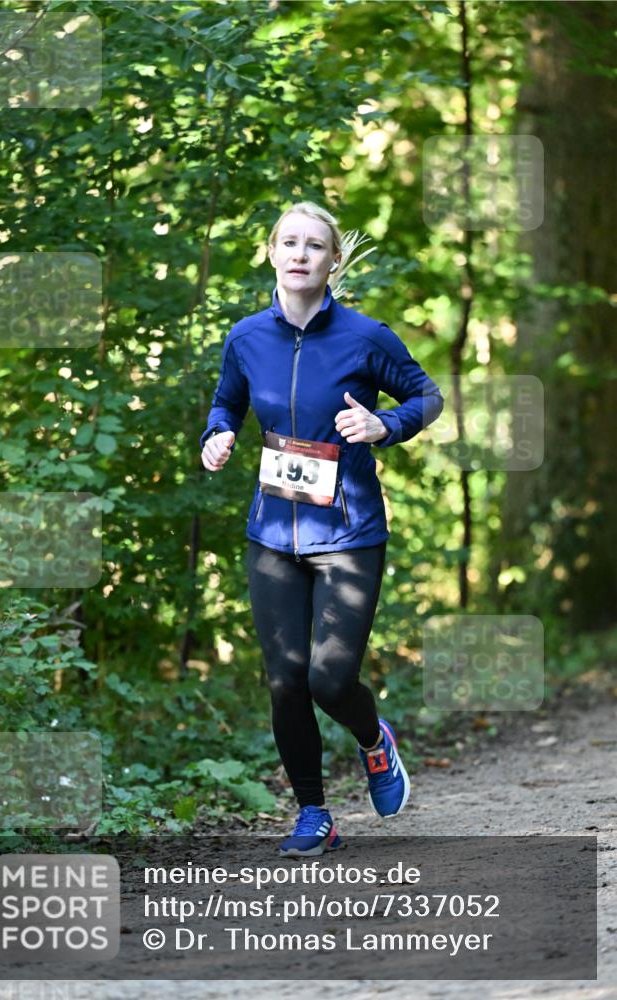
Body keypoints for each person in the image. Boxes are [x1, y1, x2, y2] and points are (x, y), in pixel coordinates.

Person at [200, 201, 444, 857]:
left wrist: (384, 425)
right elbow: (226, 402)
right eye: (289, 242)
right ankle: (313, 812)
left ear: (333, 260)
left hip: (348, 533)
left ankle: (373, 740)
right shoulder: (246, 337)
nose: (300, 254)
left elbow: (427, 395)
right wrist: (217, 435)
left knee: (329, 680)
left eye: (314, 245)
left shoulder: (365, 337)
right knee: (285, 681)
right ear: (271, 253)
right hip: (272, 536)